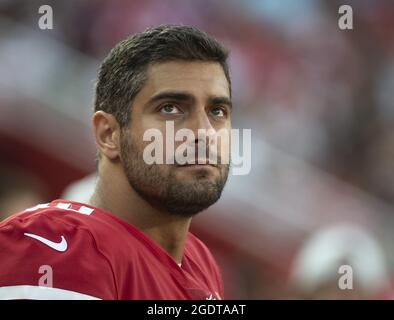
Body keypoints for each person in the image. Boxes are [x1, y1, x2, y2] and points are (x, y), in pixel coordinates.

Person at [0, 25, 232, 300]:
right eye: (170, 108)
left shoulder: (200, 261)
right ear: (109, 134)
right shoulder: (53, 245)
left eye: (217, 111)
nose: (203, 132)